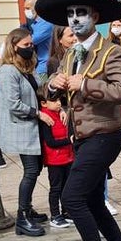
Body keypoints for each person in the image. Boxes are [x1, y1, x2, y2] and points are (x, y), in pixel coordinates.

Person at [41, 0, 121, 241]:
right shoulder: (71, 53)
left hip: (104, 135)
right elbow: (53, 91)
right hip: (80, 137)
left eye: (80, 13)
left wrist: (85, 84)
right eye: (70, 14)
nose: (74, 19)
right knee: (94, 202)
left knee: (72, 199)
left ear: (95, 16)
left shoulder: (111, 52)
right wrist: (54, 86)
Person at [0, 27, 54, 237]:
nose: (30, 48)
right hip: (21, 127)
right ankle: (22, 217)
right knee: (30, 171)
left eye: (31, 45)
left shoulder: (27, 67)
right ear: (14, 46)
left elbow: (39, 88)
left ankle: (27, 209)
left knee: (35, 169)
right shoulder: (8, 71)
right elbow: (13, 104)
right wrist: (39, 114)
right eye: (25, 46)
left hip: (32, 128)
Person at [40, 96, 75, 229]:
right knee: (56, 188)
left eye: (60, 100)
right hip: (54, 159)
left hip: (67, 156)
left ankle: (66, 212)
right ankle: (55, 215)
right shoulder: (46, 118)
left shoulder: (60, 113)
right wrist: (69, 141)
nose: (59, 103)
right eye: (54, 101)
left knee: (66, 186)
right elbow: (50, 142)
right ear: (44, 103)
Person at [21, 0, 54, 74]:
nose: (26, 11)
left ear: (36, 7)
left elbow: (31, 41)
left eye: (28, 8)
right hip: (36, 66)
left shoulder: (46, 23)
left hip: (44, 67)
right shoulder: (34, 24)